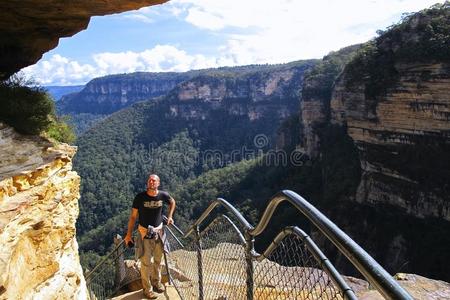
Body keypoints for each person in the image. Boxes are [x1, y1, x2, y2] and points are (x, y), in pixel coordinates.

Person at [124, 174, 176, 299]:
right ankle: (147, 290)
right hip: (144, 233)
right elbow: (133, 217)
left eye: (154, 180)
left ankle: (156, 283)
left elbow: (172, 202)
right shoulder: (140, 197)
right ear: (147, 183)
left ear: (158, 183)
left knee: (158, 260)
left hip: (159, 232)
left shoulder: (162, 195)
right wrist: (128, 234)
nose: (152, 182)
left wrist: (170, 216)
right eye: (150, 180)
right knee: (146, 263)